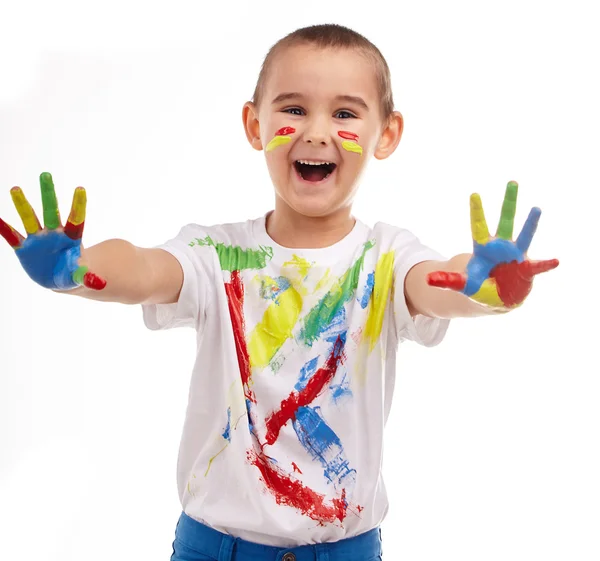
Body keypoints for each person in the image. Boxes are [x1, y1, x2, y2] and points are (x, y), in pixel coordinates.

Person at [0, 23, 558, 561]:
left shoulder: (388, 258)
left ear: (385, 134)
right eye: (294, 109)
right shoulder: (215, 256)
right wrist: (80, 268)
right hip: (214, 548)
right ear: (254, 124)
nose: (317, 130)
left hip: (347, 551)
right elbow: (144, 268)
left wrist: (485, 287)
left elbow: (437, 285)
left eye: (344, 113)